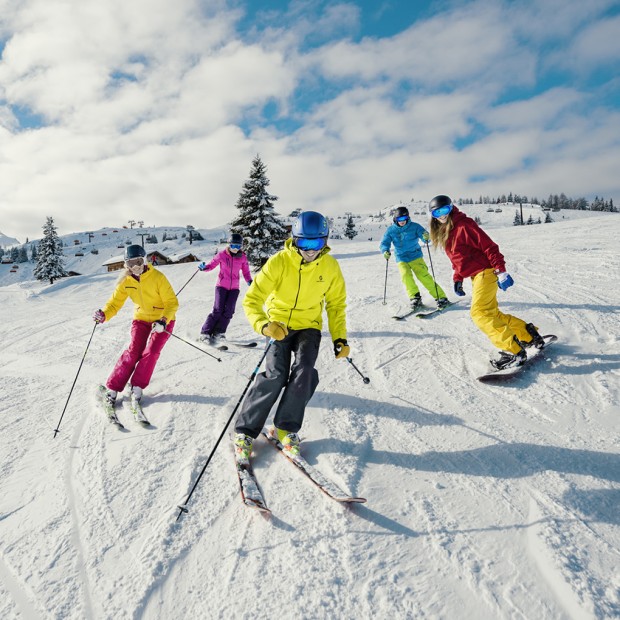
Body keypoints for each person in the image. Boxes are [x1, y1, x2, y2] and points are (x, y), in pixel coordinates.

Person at [232, 211, 349, 464]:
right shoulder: (279, 262)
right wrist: (265, 325)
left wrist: (340, 338)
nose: (309, 250)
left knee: (305, 372)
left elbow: (336, 305)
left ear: (325, 241)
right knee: (275, 374)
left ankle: (285, 428)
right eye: (303, 243)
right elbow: (252, 300)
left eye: (315, 243)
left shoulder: (330, 266)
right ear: (294, 240)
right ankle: (245, 431)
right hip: (279, 325)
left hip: (309, 326)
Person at [428, 195, 545, 369]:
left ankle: (514, 351)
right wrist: (458, 278)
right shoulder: (446, 232)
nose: (442, 215)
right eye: (438, 212)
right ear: (433, 215)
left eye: (445, 210)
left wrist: (501, 270)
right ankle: (529, 336)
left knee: (480, 313)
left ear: (451, 208)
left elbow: (489, 247)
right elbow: (458, 259)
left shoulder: (464, 225)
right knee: (492, 314)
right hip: (477, 275)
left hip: (486, 272)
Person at [93, 244, 179, 406]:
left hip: (162, 320)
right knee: (134, 351)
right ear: (126, 265)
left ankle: (137, 386)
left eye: (138, 261)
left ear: (145, 260)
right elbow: (114, 304)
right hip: (141, 319)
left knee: (152, 351)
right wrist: (104, 315)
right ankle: (113, 388)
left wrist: (163, 320)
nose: (136, 267)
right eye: (131, 263)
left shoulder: (158, 277)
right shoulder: (126, 281)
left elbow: (172, 303)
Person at [380, 205, 448, 310]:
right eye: (399, 219)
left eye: (404, 219)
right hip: (401, 257)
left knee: (423, 276)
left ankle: (441, 297)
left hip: (415, 256)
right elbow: (385, 242)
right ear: (395, 219)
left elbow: (425, 236)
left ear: (407, 218)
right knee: (405, 276)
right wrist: (385, 250)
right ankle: (415, 298)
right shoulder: (391, 230)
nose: (402, 221)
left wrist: (426, 237)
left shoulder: (415, 226)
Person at [197, 233, 252, 345]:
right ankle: (205, 333)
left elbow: (246, 271)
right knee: (218, 310)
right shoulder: (222, 255)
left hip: (235, 288)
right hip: (221, 286)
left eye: (238, 246)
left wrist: (249, 280)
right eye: (233, 246)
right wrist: (204, 268)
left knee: (229, 311)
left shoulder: (242, 257)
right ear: (229, 244)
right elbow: (212, 265)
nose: (235, 249)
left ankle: (219, 333)